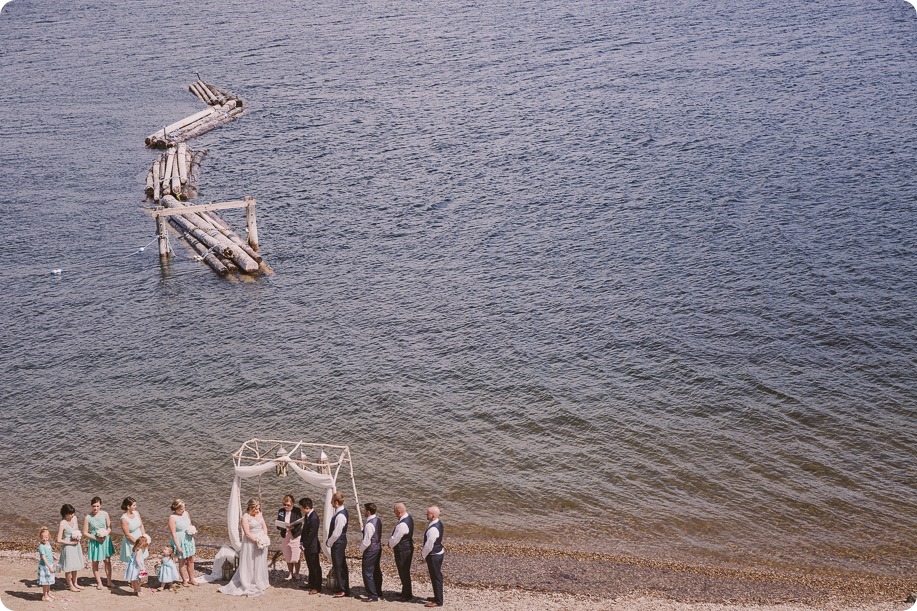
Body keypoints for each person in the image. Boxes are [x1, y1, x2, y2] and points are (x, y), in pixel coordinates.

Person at [219, 498, 270, 597]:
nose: (257, 511)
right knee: (251, 561)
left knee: (260, 561)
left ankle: (260, 579)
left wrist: (265, 537)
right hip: (251, 542)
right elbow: (247, 533)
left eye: (258, 509)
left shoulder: (259, 514)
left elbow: (264, 526)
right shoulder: (245, 518)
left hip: (261, 540)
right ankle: (249, 581)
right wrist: (257, 541)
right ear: (250, 508)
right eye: (255, 509)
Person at [82, 496, 115, 589]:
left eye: (97, 506)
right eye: (94, 506)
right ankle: (99, 582)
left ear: (100, 505)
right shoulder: (88, 517)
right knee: (95, 562)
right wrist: (96, 538)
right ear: (91, 506)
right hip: (94, 541)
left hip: (105, 540)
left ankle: (109, 581)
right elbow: (85, 532)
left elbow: (109, 527)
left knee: (107, 561)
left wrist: (105, 533)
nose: (95, 508)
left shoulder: (105, 514)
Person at [388, 502, 414, 601]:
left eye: (395, 512)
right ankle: (405, 591)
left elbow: (395, 539)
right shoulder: (409, 517)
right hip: (407, 547)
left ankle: (407, 595)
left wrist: (390, 544)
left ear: (399, 512)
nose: (394, 514)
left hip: (403, 550)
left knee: (403, 571)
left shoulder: (402, 524)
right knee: (404, 571)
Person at [168, 498, 198, 586]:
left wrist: (193, 531)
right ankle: (184, 580)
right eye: (181, 509)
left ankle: (192, 579)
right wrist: (178, 547)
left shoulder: (186, 514)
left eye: (184, 508)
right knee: (182, 561)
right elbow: (173, 534)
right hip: (179, 540)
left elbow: (190, 525)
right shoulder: (172, 518)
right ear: (175, 508)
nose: (183, 510)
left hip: (188, 539)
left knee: (191, 560)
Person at [326, 491, 350, 597]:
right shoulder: (341, 512)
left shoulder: (340, 516)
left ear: (336, 502)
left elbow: (336, 533)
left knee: (338, 565)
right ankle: (343, 586)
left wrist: (329, 543)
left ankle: (342, 589)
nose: (331, 503)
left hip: (338, 543)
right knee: (340, 564)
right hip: (340, 542)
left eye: (332, 501)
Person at [57, 503, 85, 592]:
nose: (73, 515)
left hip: (76, 544)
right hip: (68, 546)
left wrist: (78, 536)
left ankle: (75, 583)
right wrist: (70, 542)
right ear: (65, 514)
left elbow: (77, 529)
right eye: (70, 514)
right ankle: (70, 585)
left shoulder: (75, 518)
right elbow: (59, 539)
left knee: (75, 565)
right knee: (69, 566)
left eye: (73, 513)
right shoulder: (63, 523)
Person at [421, 506, 445, 608]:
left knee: (436, 577)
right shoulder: (438, 523)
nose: (426, 515)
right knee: (436, 576)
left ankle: (438, 601)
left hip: (434, 555)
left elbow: (429, 545)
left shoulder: (433, 529)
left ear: (433, 516)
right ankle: (436, 597)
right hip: (438, 552)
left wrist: (423, 555)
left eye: (428, 514)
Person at [358, 503, 382, 602]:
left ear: (368, 511)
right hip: (378, 548)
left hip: (371, 550)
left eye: (364, 510)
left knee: (367, 572)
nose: (363, 511)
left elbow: (366, 541)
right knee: (376, 570)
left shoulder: (369, 525)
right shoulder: (378, 520)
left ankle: (372, 595)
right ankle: (378, 591)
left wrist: (360, 549)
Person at [299, 497, 322, 594]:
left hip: (312, 546)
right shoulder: (307, 515)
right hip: (307, 545)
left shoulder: (314, 518)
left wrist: (305, 544)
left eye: (301, 508)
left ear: (307, 507)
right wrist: (301, 541)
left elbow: (312, 534)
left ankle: (317, 586)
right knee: (310, 566)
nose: (301, 509)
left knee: (315, 566)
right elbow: (304, 530)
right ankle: (311, 582)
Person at [276, 494, 303, 580]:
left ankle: (297, 573)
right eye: (284, 504)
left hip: (295, 535)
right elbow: (278, 524)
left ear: (292, 503)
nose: (286, 506)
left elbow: (300, 523)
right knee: (288, 555)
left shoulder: (297, 510)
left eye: (288, 505)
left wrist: (293, 527)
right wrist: (282, 526)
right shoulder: (281, 511)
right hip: (285, 535)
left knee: (296, 556)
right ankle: (290, 573)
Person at [119, 497, 148, 564]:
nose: (136, 506)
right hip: (131, 541)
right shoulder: (124, 519)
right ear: (128, 506)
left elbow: (141, 525)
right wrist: (138, 543)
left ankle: (141, 573)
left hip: (140, 537)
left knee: (141, 560)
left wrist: (144, 537)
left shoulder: (136, 513)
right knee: (133, 561)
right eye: (134, 505)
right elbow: (127, 535)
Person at [37, 526, 56, 602]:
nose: (45, 539)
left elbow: (50, 552)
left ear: (49, 537)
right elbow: (44, 558)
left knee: (49, 581)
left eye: (46, 537)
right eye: (43, 537)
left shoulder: (48, 543)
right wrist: (49, 567)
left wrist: (53, 556)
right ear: (40, 537)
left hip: (50, 564)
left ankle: (48, 593)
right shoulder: (41, 547)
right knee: (45, 582)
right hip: (45, 566)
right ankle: (44, 595)